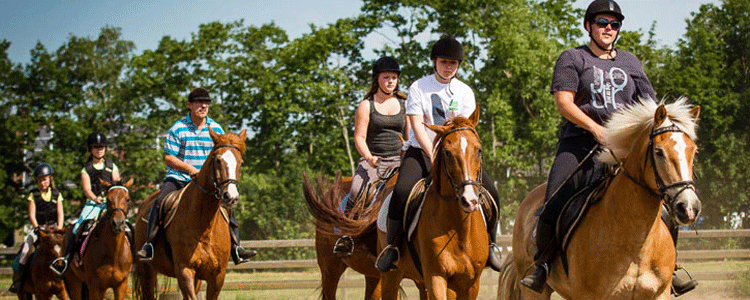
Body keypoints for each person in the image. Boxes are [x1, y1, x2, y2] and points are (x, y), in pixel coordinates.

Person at [519, 0, 698, 296]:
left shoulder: (630, 63)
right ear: (589, 25)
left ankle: (672, 267)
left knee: (665, 200)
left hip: (625, 150)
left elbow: (651, 106)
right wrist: (595, 128)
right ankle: (541, 266)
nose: (609, 29)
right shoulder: (572, 58)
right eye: (602, 23)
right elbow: (564, 102)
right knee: (554, 200)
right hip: (579, 145)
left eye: (614, 24)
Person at [374, 36, 503, 273]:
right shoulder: (419, 87)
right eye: (444, 62)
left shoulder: (465, 92)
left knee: (492, 192)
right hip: (422, 150)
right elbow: (415, 124)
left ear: (458, 65)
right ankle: (392, 247)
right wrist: (432, 153)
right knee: (401, 191)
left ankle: (491, 245)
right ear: (435, 61)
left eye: (453, 63)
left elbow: (467, 129)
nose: (448, 67)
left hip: (456, 155)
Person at [136, 87, 256, 265]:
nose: (204, 106)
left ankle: (236, 247)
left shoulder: (216, 128)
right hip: (179, 178)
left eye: (206, 103)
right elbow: (168, 157)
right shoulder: (178, 129)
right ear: (189, 105)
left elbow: (223, 156)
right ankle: (149, 245)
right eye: (199, 102)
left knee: (228, 206)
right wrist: (190, 169)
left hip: (207, 182)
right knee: (160, 202)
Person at [334, 56, 409, 256]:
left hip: (400, 161)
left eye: (394, 77)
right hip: (374, 160)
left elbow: (410, 136)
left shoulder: (405, 103)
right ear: (377, 79)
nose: (390, 81)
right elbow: (359, 137)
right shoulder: (366, 105)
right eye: (386, 77)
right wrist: (369, 157)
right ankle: (346, 236)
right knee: (358, 190)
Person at [50, 131, 121, 275]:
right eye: (96, 147)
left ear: (105, 148)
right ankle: (66, 259)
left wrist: (110, 199)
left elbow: (117, 187)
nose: (99, 149)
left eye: (101, 147)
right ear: (91, 149)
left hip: (110, 204)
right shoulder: (86, 169)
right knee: (76, 228)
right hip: (93, 204)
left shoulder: (113, 167)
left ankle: (133, 254)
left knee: (126, 227)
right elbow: (87, 189)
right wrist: (96, 199)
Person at [9, 163, 64, 293]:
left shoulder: (57, 194)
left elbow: (60, 213)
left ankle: (72, 279)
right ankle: (19, 280)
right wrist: (37, 229)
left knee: (66, 249)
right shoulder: (33, 194)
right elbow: (32, 215)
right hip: (39, 229)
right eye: (39, 181)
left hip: (55, 228)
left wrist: (59, 229)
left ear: (50, 178)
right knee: (25, 250)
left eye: (44, 180)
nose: (42, 183)